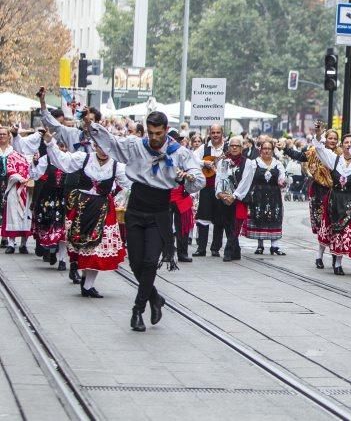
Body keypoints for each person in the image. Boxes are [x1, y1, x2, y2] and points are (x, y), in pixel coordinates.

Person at [88, 111, 204, 332]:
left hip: (159, 211)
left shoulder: (179, 153)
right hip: (137, 207)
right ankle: (155, 298)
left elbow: (197, 179)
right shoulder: (136, 145)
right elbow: (112, 144)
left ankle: (137, 310)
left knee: (150, 262)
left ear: (166, 130)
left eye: (158, 133)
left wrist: (187, 177)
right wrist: (92, 126)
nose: (154, 137)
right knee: (136, 263)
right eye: (151, 132)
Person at [44, 130, 130, 298]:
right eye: (99, 146)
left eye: (106, 147)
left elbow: (131, 182)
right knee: (84, 248)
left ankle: (88, 284)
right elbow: (63, 161)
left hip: (103, 210)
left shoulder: (117, 166)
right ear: (94, 145)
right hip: (82, 208)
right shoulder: (84, 158)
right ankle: (85, 279)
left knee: (97, 250)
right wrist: (50, 143)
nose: (103, 150)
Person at [313, 123, 351, 275]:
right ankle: (334, 261)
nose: (348, 145)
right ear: (341, 145)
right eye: (346, 142)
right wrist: (319, 134)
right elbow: (319, 149)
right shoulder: (334, 159)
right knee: (332, 230)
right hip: (335, 199)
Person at [284, 129, 338, 269]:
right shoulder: (314, 152)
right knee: (322, 226)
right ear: (324, 139)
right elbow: (301, 156)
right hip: (319, 192)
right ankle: (319, 256)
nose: (332, 141)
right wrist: (286, 149)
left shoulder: (340, 154)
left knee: (335, 226)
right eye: (330, 138)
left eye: (334, 138)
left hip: (336, 193)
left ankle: (335, 255)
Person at [234, 138, 287, 255]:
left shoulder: (278, 164)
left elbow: (282, 177)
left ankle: (275, 246)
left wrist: (282, 182)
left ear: (273, 150)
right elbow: (247, 179)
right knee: (259, 217)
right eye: (264, 149)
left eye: (269, 149)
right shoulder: (254, 163)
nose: (267, 151)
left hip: (274, 195)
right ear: (260, 150)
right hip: (258, 194)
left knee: (275, 217)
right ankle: (260, 245)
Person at [30, 140, 68, 268]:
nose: (61, 148)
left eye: (63, 146)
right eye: (59, 146)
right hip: (48, 199)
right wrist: (34, 163)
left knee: (63, 230)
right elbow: (34, 175)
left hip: (65, 199)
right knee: (49, 226)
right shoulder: (46, 159)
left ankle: (62, 260)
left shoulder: (71, 159)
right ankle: (52, 251)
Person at [192, 124, 226, 257]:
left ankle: (215, 248)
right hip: (207, 186)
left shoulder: (227, 148)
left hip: (222, 188)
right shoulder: (204, 148)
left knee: (220, 218)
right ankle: (201, 248)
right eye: (213, 132)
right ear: (210, 134)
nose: (216, 135)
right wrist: (204, 163)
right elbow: (193, 157)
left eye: (218, 132)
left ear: (222, 133)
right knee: (203, 217)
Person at [214, 136, 249, 262]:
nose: (234, 148)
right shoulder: (223, 162)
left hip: (239, 199)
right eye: (232, 146)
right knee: (228, 225)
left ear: (241, 148)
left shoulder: (248, 163)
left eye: (237, 146)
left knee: (236, 225)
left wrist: (234, 196)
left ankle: (228, 251)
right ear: (228, 147)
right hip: (225, 199)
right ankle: (236, 251)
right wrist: (220, 194)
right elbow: (219, 178)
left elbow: (246, 182)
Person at [1, 127, 32, 254]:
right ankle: (9, 242)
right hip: (12, 186)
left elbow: (34, 170)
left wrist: (27, 179)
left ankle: (23, 244)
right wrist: (20, 178)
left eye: (4, 134)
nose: (1, 136)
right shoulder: (12, 157)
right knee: (11, 215)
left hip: (24, 188)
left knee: (26, 214)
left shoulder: (21, 156)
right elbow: (11, 170)